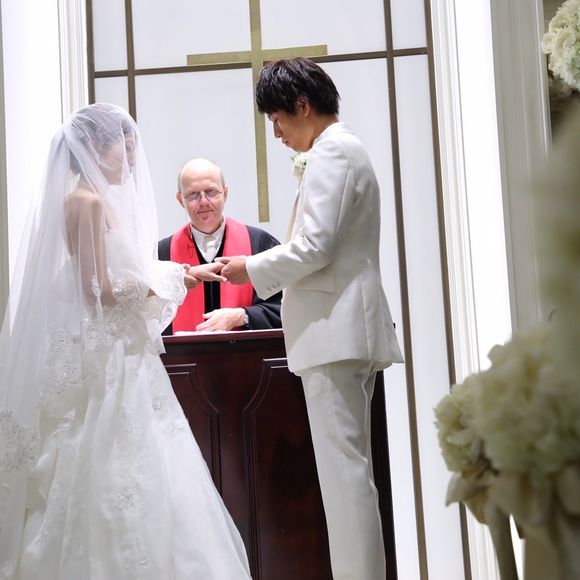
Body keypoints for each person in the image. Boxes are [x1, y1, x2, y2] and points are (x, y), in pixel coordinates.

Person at [0, 103, 252, 579]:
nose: (132, 160)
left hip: (115, 347)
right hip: (114, 357)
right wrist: (174, 281)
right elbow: (99, 289)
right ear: (97, 148)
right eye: (125, 148)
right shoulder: (88, 202)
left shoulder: (85, 198)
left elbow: (111, 274)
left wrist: (182, 274)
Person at [218, 58, 404, 580]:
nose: (276, 134)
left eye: (277, 119)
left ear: (302, 106)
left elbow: (315, 246)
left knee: (345, 480)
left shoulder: (333, 151)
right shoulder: (340, 149)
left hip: (333, 331)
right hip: (340, 329)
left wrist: (250, 267)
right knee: (350, 477)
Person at [158, 158, 282, 333]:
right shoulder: (163, 254)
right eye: (193, 194)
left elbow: (283, 307)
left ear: (225, 192)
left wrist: (242, 315)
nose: (203, 201)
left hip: (247, 350)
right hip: (183, 351)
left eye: (211, 192)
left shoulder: (260, 243)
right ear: (180, 200)